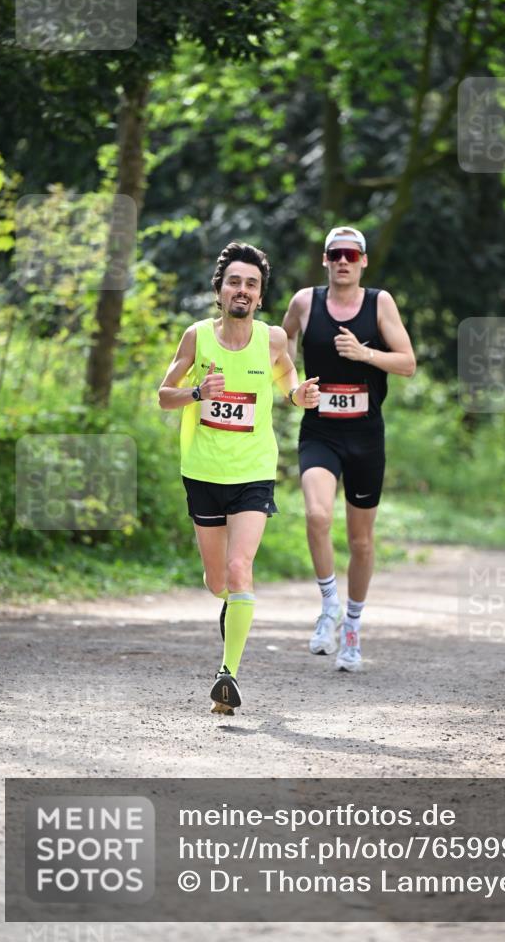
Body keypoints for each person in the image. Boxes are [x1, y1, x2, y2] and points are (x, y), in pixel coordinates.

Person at [159, 242, 319, 714]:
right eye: (235, 282)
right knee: (217, 582)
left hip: (253, 471)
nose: (242, 290)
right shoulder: (196, 338)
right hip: (203, 472)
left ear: (260, 295)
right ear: (220, 290)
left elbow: (287, 377)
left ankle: (227, 675)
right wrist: (196, 392)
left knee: (239, 567)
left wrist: (297, 395)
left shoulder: (272, 340)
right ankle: (234, 609)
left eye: (252, 283)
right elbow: (164, 396)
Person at [282, 225, 416, 672]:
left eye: (351, 255)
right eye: (335, 254)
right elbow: (280, 347)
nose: (343, 261)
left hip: (365, 436)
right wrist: (292, 387)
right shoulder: (305, 302)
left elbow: (408, 363)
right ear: (325, 260)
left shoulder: (380, 303)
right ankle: (329, 606)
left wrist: (365, 354)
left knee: (361, 540)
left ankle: (353, 628)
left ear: (363, 261)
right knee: (317, 516)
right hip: (320, 430)